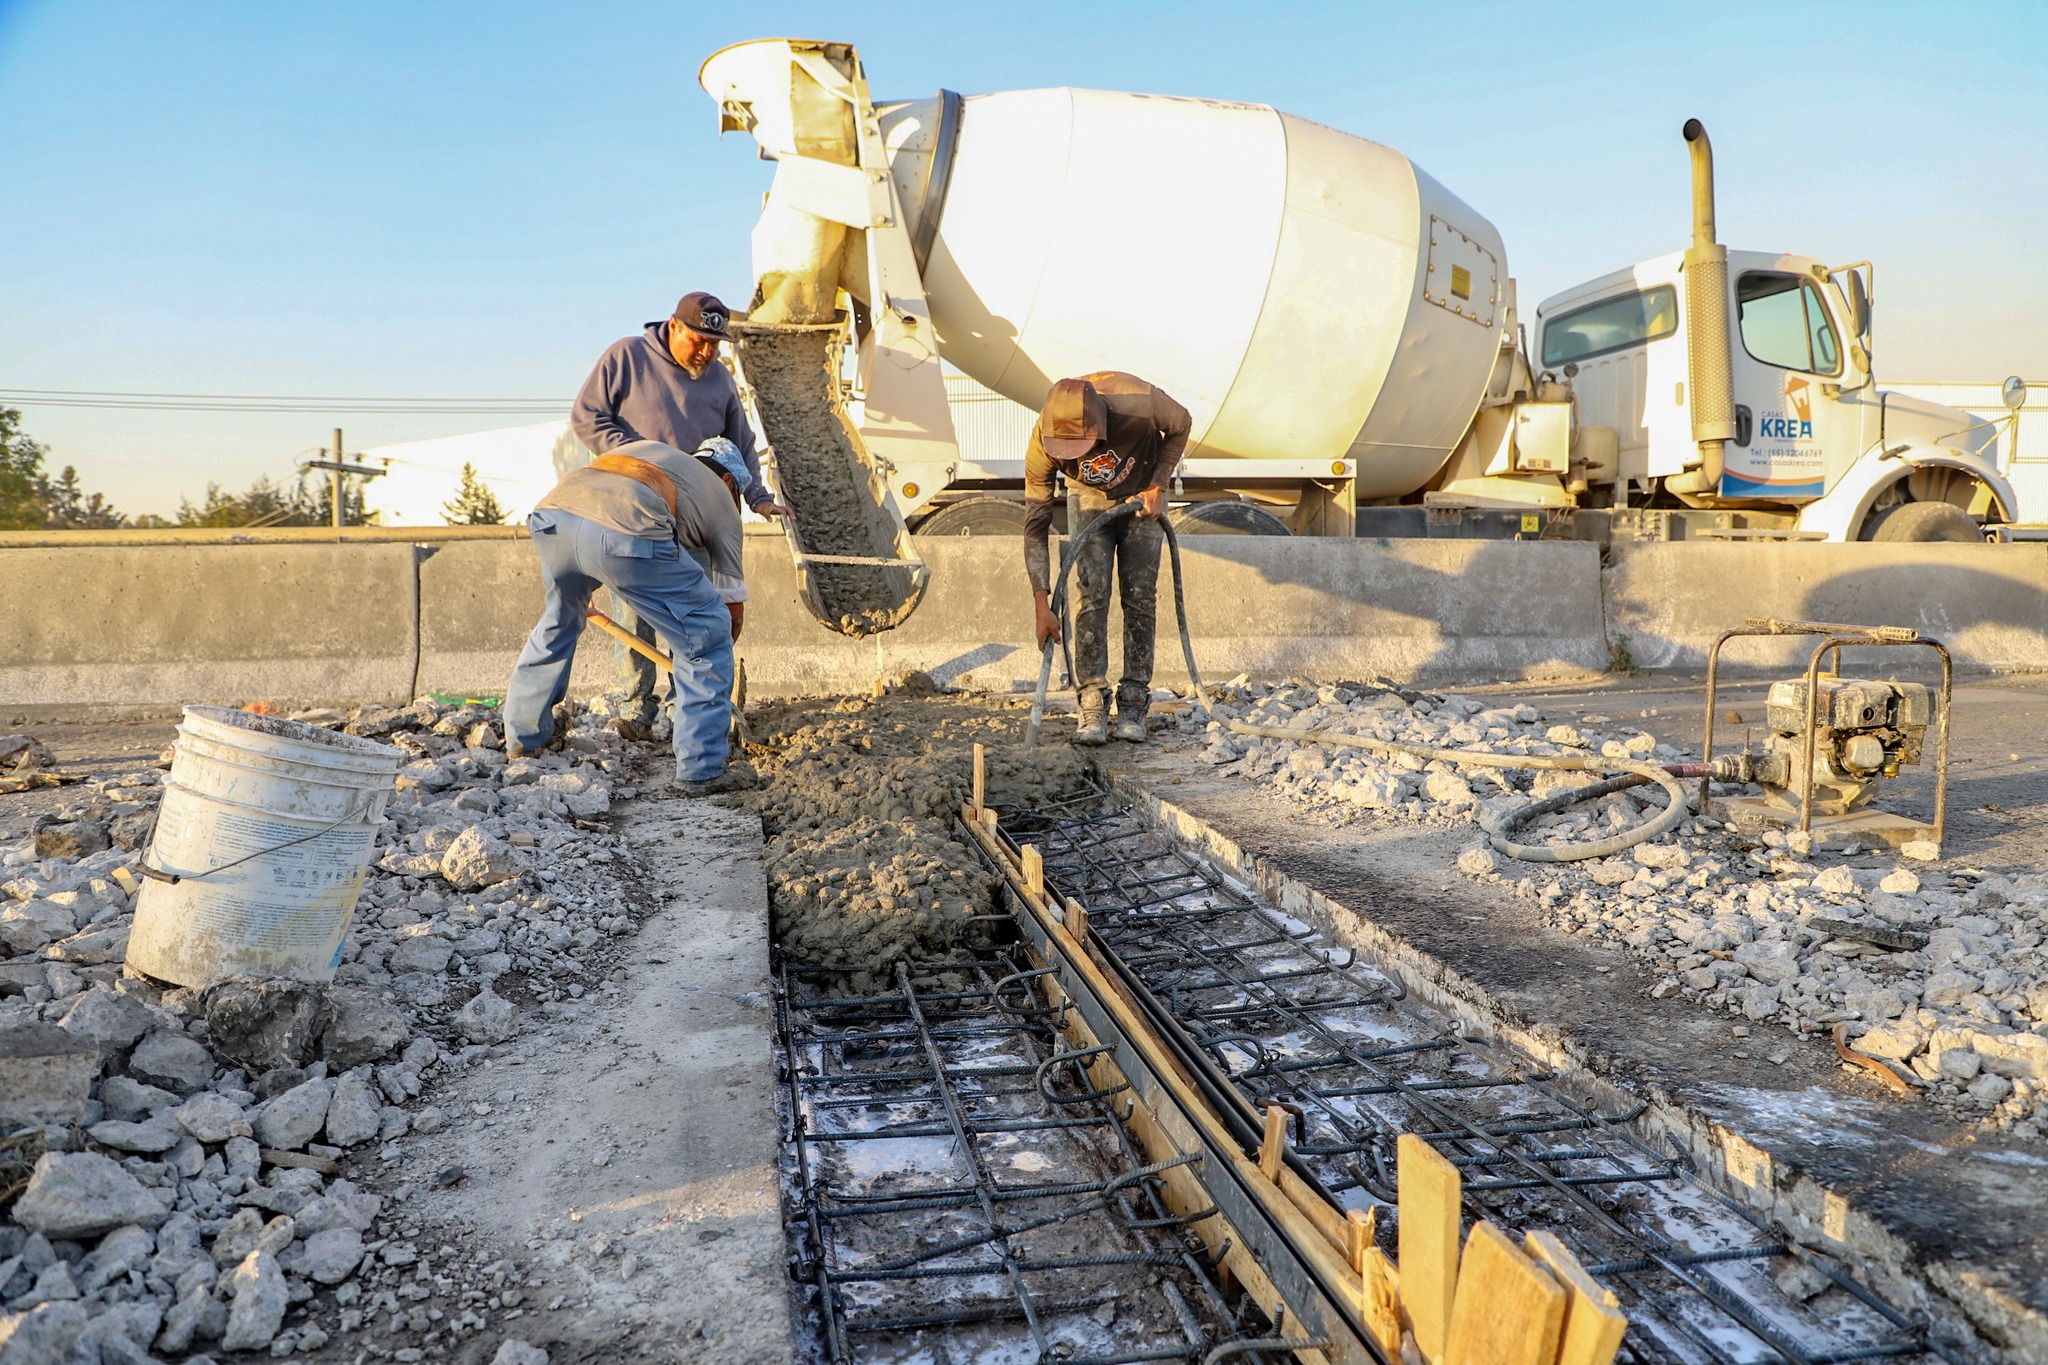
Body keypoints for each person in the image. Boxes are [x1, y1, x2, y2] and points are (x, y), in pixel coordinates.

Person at [569, 291, 789, 738]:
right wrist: (642, 460)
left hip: (694, 520)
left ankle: (681, 707)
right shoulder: (626, 357)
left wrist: (758, 496)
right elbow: (586, 417)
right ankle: (636, 711)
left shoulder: (720, 380)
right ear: (673, 326)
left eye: (715, 344)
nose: (707, 352)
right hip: (633, 510)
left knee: (692, 612)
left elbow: (741, 443)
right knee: (633, 611)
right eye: (698, 341)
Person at [503, 436, 753, 795]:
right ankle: (702, 769)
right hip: (621, 527)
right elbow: (730, 610)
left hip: (553, 519)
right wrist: (712, 662)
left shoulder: (656, 455)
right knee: (708, 629)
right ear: (730, 482)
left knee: (560, 619)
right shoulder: (722, 501)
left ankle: (524, 737)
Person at [1023, 372, 1191, 745]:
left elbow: (1182, 425)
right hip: (1086, 498)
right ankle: (1092, 698)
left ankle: (1133, 701)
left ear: (1101, 424)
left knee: (1140, 594)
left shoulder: (1139, 401)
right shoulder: (1041, 440)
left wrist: (1158, 482)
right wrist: (1040, 601)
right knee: (1091, 592)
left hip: (1141, 493)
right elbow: (1036, 525)